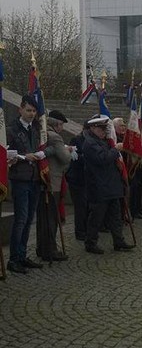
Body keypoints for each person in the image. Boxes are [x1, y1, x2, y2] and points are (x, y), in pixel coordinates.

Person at [82, 115, 135, 254]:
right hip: (99, 186)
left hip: (110, 185)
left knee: (115, 216)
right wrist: (115, 149)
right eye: (101, 128)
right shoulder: (90, 143)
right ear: (93, 128)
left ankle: (119, 241)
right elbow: (102, 159)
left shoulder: (102, 141)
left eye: (105, 128)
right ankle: (90, 242)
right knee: (96, 217)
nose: (104, 131)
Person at [6, 94, 43, 274]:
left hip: (34, 178)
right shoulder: (11, 129)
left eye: (34, 111)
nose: (31, 114)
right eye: (28, 110)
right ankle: (13, 259)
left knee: (29, 219)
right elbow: (6, 152)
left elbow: (40, 148)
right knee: (20, 219)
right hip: (19, 177)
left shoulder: (35, 130)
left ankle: (22, 255)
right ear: (20, 109)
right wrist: (23, 157)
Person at [35, 110, 72, 262]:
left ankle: (41, 247)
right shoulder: (55, 137)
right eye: (61, 125)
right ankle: (50, 249)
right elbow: (65, 158)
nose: (62, 128)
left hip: (43, 180)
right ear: (56, 125)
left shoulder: (43, 134)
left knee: (42, 218)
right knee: (51, 219)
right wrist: (67, 150)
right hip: (52, 182)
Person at [65, 122, 88, 241]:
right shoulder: (76, 139)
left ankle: (86, 229)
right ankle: (80, 232)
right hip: (77, 178)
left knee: (86, 206)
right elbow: (75, 157)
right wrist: (88, 157)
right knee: (80, 207)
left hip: (87, 179)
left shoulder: (91, 140)